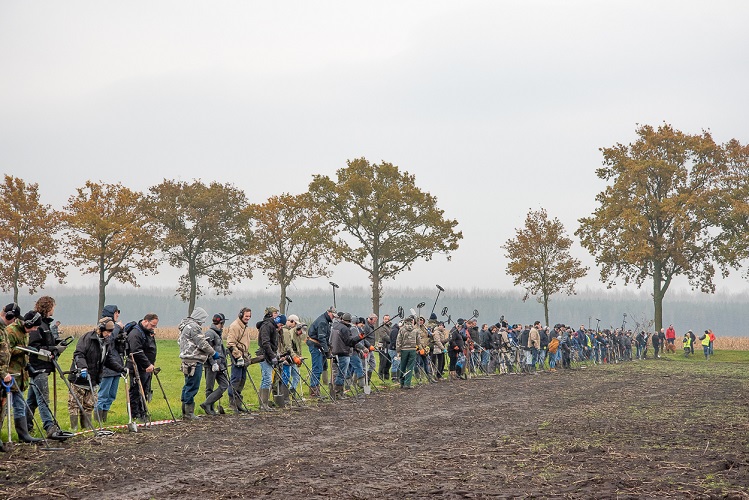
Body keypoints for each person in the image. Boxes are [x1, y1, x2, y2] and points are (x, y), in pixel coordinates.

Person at [68, 318, 127, 430]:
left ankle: (86, 428)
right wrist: (83, 367)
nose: (109, 334)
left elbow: (108, 359)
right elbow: (78, 354)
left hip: (94, 379)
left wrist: (121, 369)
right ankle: (74, 429)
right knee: (75, 404)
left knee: (89, 405)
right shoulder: (87, 338)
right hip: (79, 378)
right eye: (107, 332)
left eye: (111, 332)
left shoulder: (106, 342)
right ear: (100, 329)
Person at [26, 296, 69, 439]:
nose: (54, 309)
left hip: (41, 366)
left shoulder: (45, 325)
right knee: (43, 398)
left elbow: (45, 342)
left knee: (31, 400)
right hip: (39, 367)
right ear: (48, 307)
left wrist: (57, 343)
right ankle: (49, 426)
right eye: (53, 307)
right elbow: (35, 349)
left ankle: (26, 427)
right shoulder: (38, 326)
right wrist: (54, 349)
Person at [5, 310, 43, 442]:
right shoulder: (10, 331)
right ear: (28, 323)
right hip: (8, 374)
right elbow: (6, 351)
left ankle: (23, 435)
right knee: (3, 407)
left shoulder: (25, 333)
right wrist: (23, 349)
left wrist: (29, 366)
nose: (35, 330)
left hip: (21, 376)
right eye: (34, 327)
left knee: (20, 405)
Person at [178, 307, 218, 420]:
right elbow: (202, 343)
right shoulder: (194, 327)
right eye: (203, 319)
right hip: (194, 360)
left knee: (187, 385)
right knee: (192, 386)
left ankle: (185, 411)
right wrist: (213, 353)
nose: (203, 322)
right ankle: (189, 413)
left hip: (186, 359)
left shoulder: (185, 326)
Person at [126, 313, 158, 423]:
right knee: (136, 391)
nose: (153, 328)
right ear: (145, 321)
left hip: (147, 368)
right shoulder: (135, 333)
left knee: (145, 390)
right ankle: (135, 414)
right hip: (136, 367)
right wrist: (147, 364)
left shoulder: (147, 333)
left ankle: (143, 411)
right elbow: (136, 351)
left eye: (155, 326)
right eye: (152, 325)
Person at [96, 304, 126, 422]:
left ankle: (104, 418)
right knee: (103, 394)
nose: (118, 315)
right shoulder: (103, 327)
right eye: (116, 312)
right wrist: (117, 328)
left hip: (117, 365)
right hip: (107, 367)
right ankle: (97, 419)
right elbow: (107, 340)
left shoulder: (116, 328)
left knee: (112, 395)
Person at [201, 313, 229, 415]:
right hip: (210, 365)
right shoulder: (209, 334)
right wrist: (213, 363)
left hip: (220, 365)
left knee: (225, 384)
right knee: (210, 387)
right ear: (221, 322)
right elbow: (207, 350)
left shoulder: (217, 333)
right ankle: (209, 408)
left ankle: (207, 403)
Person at [226, 307, 252, 413]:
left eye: (249, 316)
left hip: (244, 355)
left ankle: (238, 403)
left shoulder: (244, 326)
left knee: (242, 379)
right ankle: (232, 403)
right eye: (246, 316)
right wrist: (238, 356)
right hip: (237, 355)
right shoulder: (235, 326)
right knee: (235, 379)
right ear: (241, 315)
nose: (248, 318)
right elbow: (230, 343)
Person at [306, 307, 335, 398]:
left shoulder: (326, 321)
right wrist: (326, 351)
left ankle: (316, 390)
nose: (333, 317)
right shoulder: (322, 322)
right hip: (315, 346)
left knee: (319, 367)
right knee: (317, 368)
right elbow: (321, 337)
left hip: (318, 345)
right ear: (329, 313)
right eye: (333, 315)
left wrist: (328, 346)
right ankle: (314, 391)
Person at [256, 307, 280, 410]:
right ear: (270, 314)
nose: (277, 315)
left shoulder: (271, 325)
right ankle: (264, 404)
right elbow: (265, 342)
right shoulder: (267, 326)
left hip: (268, 355)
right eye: (275, 313)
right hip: (265, 355)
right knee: (267, 379)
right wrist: (272, 355)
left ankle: (263, 403)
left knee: (265, 379)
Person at [395, 316, 419, 389]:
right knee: (410, 367)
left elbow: (398, 341)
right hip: (412, 349)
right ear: (412, 322)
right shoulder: (416, 330)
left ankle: (401, 382)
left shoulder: (402, 330)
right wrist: (417, 348)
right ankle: (407, 383)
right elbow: (418, 341)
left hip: (404, 349)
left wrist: (398, 350)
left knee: (402, 365)